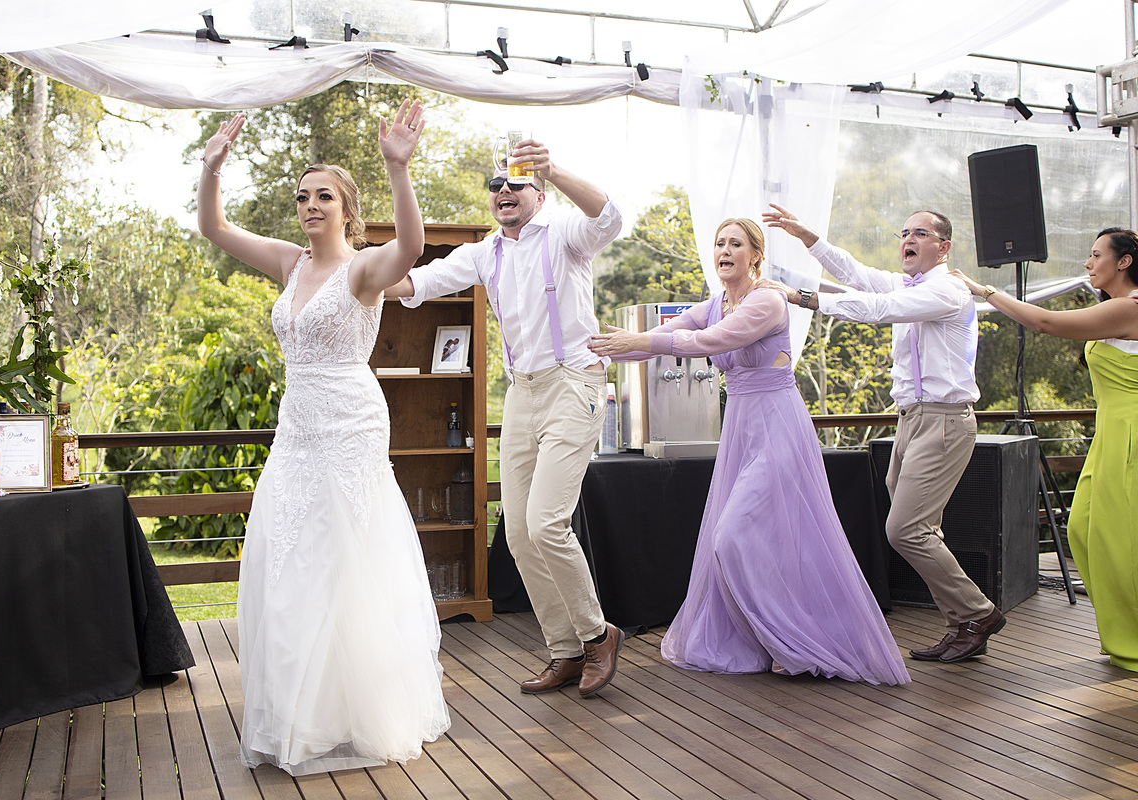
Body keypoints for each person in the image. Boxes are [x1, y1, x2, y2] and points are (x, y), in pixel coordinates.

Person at [197, 100, 450, 774]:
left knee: (346, 561)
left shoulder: (363, 270)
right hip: (298, 425)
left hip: (350, 422)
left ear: (346, 208)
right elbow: (214, 227)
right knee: (288, 560)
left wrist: (399, 167)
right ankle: (296, 716)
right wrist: (212, 168)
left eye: (324, 196)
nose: (310, 205)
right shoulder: (287, 264)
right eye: (303, 196)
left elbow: (413, 249)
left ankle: (356, 707)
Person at [588, 218, 910, 684]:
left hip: (777, 423)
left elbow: (708, 342)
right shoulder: (714, 303)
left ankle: (790, 636)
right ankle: (768, 639)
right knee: (763, 539)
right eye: (719, 243)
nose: (724, 250)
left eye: (735, 243)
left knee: (732, 536)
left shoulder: (767, 301)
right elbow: (667, 338)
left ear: (755, 255)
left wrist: (638, 339)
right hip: (740, 426)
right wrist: (600, 346)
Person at [386, 139, 624, 697]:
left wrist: (555, 166)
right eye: (495, 186)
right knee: (517, 532)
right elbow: (415, 284)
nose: (503, 192)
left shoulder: (565, 233)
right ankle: (564, 650)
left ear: (538, 194)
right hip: (522, 392)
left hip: (573, 384)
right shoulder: (483, 252)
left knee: (546, 523)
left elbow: (610, 217)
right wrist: (354, 276)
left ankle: (598, 635)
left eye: (515, 183)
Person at [763, 204, 1005, 665]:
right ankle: (962, 623)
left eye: (920, 233)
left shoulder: (949, 290)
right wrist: (808, 237)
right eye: (904, 232)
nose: (907, 239)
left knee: (906, 529)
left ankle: (977, 612)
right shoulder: (908, 283)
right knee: (917, 524)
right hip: (912, 418)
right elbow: (857, 273)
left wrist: (802, 297)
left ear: (943, 246)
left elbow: (879, 309)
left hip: (945, 419)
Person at [950, 228, 1138, 671]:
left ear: (1124, 261)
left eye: (1096, 255)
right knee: (1083, 531)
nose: (1089, 264)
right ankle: (1124, 634)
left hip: (1131, 433)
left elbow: (1046, 323)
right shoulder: (1114, 309)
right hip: (1111, 433)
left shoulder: (1128, 309)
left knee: (1119, 540)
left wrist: (985, 291)